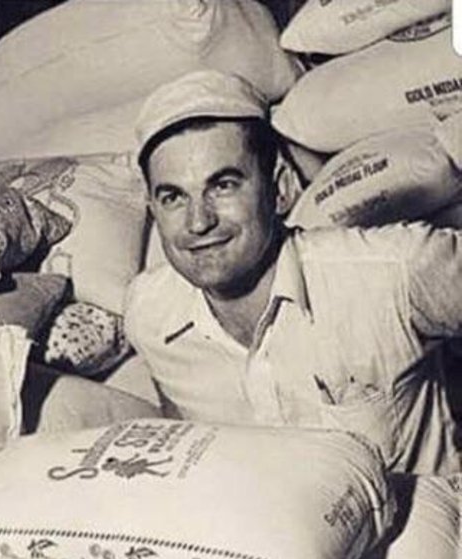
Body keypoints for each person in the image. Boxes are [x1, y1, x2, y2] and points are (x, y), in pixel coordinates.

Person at [123, 68, 462, 476]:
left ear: (280, 189)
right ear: (152, 210)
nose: (198, 222)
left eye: (224, 185)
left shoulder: (393, 271)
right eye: (174, 196)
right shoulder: (149, 313)